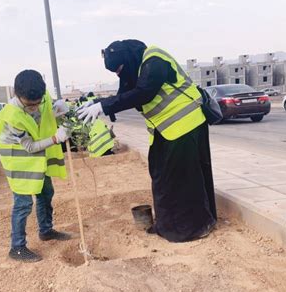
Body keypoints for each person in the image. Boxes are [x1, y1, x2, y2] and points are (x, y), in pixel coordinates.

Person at [78, 40, 217, 242]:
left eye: (119, 69)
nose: (119, 75)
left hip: (186, 124)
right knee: (161, 175)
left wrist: (105, 107)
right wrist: (98, 103)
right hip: (167, 130)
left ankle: (191, 227)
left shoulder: (154, 59)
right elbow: (124, 94)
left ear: (127, 58)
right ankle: (167, 224)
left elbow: (144, 92)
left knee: (182, 178)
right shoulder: (137, 66)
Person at [0, 70, 71, 262]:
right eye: (29, 106)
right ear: (18, 96)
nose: (34, 108)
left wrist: (57, 108)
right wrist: (56, 138)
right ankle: (17, 248)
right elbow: (30, 147)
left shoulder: (41, 96)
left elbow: (46, 111)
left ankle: (46, 230)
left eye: (37, 104)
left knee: (46, 193)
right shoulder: (13, 116)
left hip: (35, 158)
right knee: (23, 204)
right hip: (18, 160)